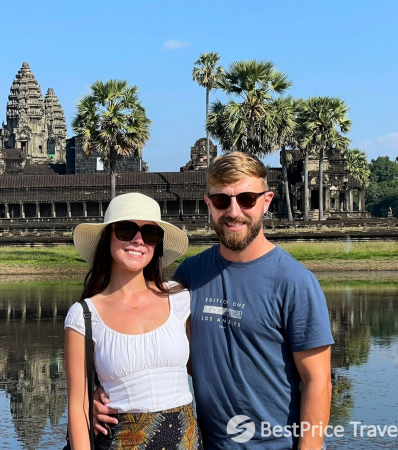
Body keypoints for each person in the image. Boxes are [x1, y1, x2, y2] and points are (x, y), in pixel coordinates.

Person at [94, 152, 333, 449]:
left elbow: (318, 381)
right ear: (209, 204)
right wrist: (101, 394)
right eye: (222, 201)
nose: (234, 211)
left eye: (246, 199)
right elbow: (152, 349)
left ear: (267, 201)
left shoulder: (294, 282)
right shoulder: (190, 275)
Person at [65, 192, 202, 450]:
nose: (138, 240)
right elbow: (78, 405)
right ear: (108, 237)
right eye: (127, 230)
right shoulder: (84, 315)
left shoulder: (180, 299)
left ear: (157, 244)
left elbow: (206, 370)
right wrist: (91, 403)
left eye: (149, 233)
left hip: (185, 441)